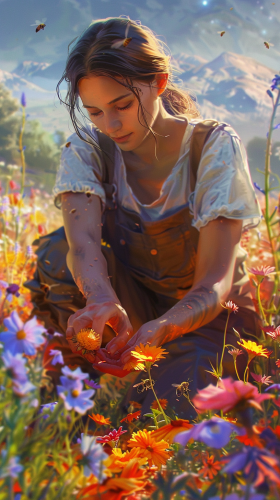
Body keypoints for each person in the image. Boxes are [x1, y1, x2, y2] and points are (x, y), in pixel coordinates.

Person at [24, 16, 263, 419]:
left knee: (176, 418)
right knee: (55, 251)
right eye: (95, 111)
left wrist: (164, 328)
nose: (111, 125)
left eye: (123, 105)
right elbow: (81, 246)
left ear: (159, 83)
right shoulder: (89, 147)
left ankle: (143, 381)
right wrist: (100, 298)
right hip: (134, 302)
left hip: (208, 317)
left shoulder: (212, 146)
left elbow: (215, 282)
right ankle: (81, 380)